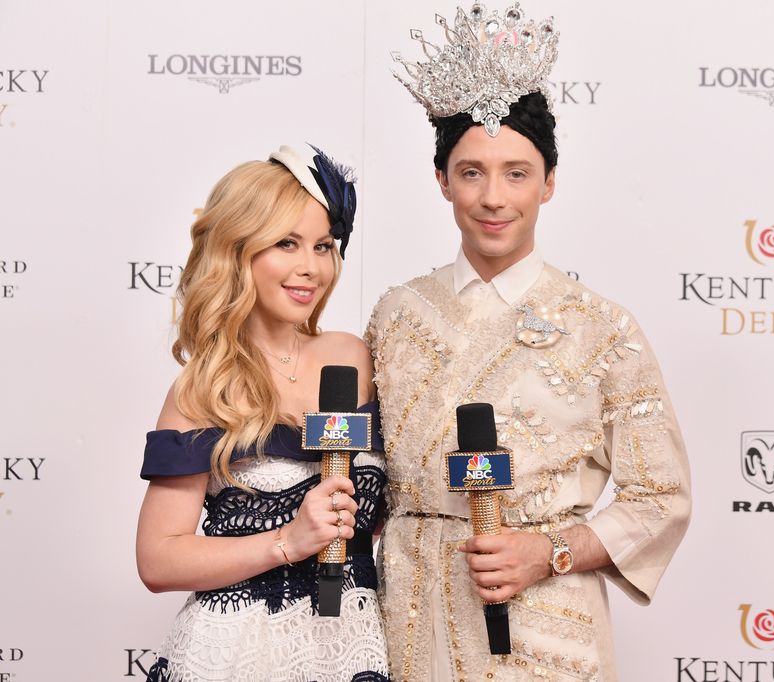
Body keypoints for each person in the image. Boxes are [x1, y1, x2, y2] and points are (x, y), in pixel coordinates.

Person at [368, 4, 692, 680]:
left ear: (549, 182)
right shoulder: (397, 314)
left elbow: (660, 498)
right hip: (409, 620)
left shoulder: (603, 327)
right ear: (441, 181)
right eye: (472, 172)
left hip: (546, 625)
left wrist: (551, 552)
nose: (493, 197)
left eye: (516, 173)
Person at [136, 144, 390, 681]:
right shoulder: (203, 389)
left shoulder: (353, 357)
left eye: (323, 246)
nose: (310, 267)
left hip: (354, 645)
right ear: (237, 251)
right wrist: (288, 540)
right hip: (239, 653)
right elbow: (158, 561)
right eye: (286, 243)